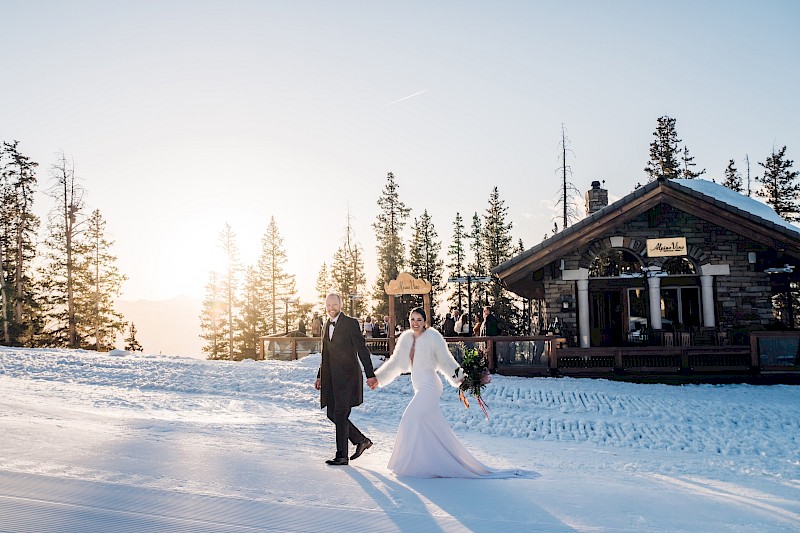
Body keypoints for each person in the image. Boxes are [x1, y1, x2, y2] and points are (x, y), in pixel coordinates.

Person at [372, 307, 494, 478]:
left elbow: (446, 361)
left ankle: (404, 464)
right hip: (419, 386)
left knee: (409, 419)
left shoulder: (433, 337)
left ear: (425, 321)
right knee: (430, 428)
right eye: (413, 319)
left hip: (430, 386)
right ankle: (430, 463)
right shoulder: (406, 338)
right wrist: (379, 378)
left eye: (419, 320)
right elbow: (396, 363)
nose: (415, 323)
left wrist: (462, 378)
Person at [314, 293, 377, 466]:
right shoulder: (326, 324)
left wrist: (370, 374)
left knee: (341, 414)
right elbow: (325, 354)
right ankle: (360, 440)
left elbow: (362, 350)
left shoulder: (350, 323)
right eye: (328, 305)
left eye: (334, 304)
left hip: (348, 378)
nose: (331, 308)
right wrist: (320, 375)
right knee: (331, 413)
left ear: (340, 305)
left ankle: (342, 456)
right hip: (331, 378)